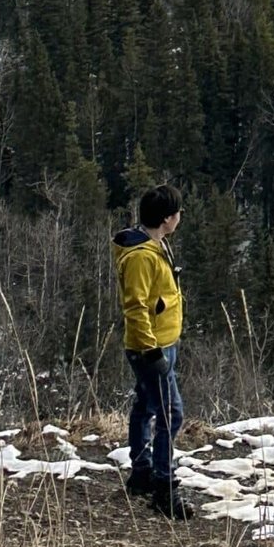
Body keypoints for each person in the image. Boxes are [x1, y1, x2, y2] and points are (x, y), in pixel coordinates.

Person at [112, 183, 194, 520]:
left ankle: (142, 472)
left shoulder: (155, 245)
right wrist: (151, 351)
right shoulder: (142, 257)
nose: (179, 217)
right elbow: (136, 307)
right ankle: (164, 487)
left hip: (161, 343)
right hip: (152, 349)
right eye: (177, 212)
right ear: (166, 218)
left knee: (146, 406)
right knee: (171, 414)